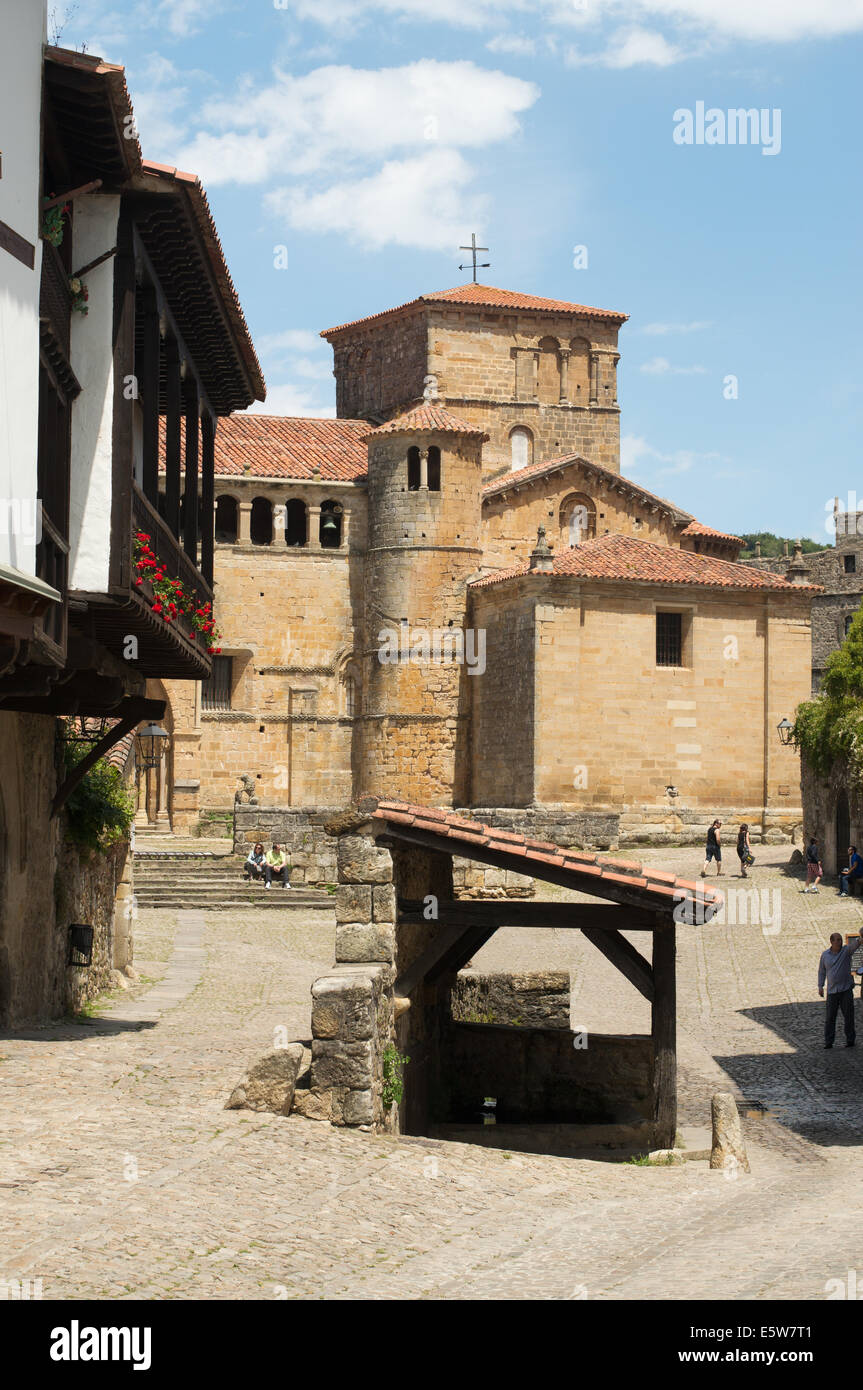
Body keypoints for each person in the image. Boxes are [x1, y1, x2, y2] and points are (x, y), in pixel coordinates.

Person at [818, 930, 863, 1047]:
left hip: (845, 990)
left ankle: (850, 1039)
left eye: (840, 939)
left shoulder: (846, 951)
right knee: (830, 1018)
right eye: (837, 940)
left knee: (849, 1016)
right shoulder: (825, 955)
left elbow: (857, 943)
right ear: (831, 942)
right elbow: (822, 971)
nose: (839, 942)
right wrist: (820, 986)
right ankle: (829, 1041)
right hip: (832, 991)